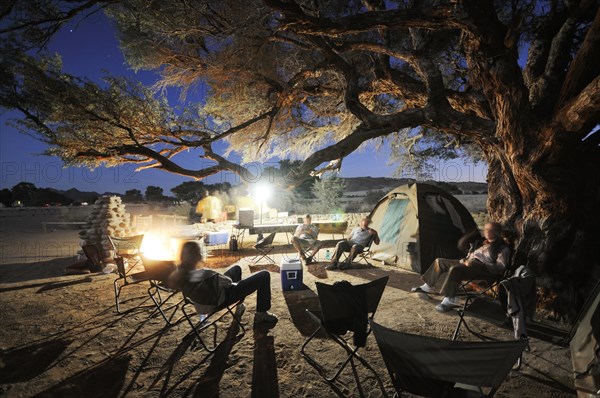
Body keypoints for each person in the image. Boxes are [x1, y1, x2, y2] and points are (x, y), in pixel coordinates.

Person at [411, 222, 510, 312]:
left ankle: (449, 299)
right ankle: (426, 287)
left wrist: (480, 265)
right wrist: (465, 260)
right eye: (485, 229)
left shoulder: (502, 248)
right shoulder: (481, 243)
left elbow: (500, 267)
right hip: (467, 264)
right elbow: (469, 254)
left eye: (489, 229)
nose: (486, 231)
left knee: (455, 270)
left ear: (496, 232)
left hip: (482, 271)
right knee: (440, 261)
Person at [169, 242, 277, 324]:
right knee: (264, 275)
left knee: (236, 269)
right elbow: (228, 282)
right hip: (220, 300)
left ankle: (239, 306)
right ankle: (261, 313)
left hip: (202, 304)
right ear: (196, 256)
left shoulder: (179, 274)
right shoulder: (205, 274)